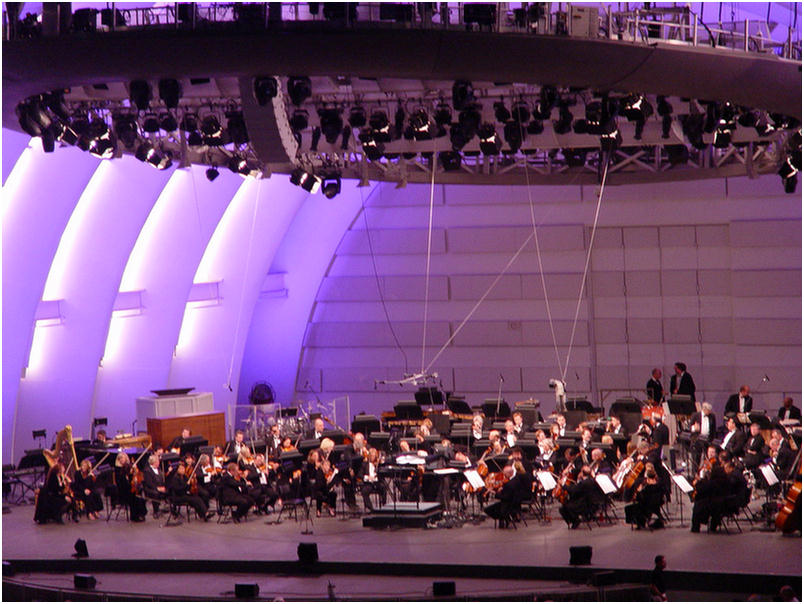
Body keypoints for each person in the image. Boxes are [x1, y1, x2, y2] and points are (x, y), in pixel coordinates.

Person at [689, 402, 717, 475]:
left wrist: (712, 440)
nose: (710, 412)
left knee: (708, 458)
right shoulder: (695, 415)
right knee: (696, 458)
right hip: (697, 440)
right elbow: (690, 427)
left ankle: (707, 474)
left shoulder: (712, 416)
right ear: (704, 409)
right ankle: (695, 474)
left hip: (707, 440)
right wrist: (694, 428)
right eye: (708, 410)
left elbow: (713, 429)